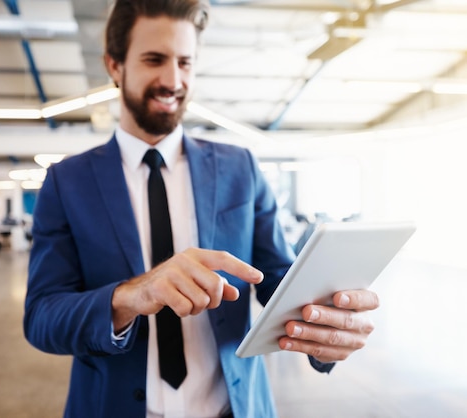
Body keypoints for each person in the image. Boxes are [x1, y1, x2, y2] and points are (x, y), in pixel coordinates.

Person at [23, 1, 379, 417]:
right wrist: (132, 295)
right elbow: (43, 317)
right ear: (114, 65)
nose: (173, 80)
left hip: (235, 407)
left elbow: (277, 280)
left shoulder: (238, 168)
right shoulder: (68, 182)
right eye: (154, 60)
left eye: (185, 63)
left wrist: (326, 327)